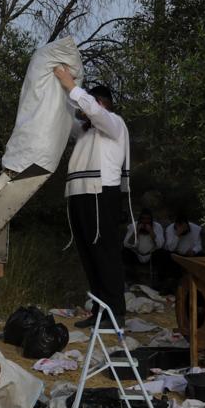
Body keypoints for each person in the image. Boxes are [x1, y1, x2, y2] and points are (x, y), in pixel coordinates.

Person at [53, 66, 130, 329]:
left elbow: (95, 112)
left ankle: (115, 312)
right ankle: (100, 310)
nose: (83, 112)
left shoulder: (113, 122)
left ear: (99, 103)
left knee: (105, 253)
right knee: (89, 255)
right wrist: (58, 90)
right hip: (80, 195)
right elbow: (64, 121)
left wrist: (70, 85)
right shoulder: (86, 131)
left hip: (100, 193)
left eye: (87, 105)